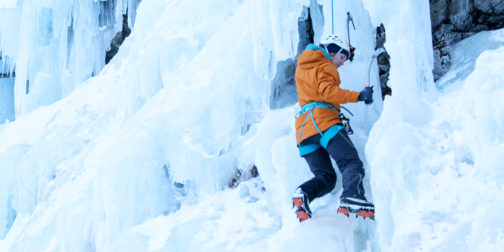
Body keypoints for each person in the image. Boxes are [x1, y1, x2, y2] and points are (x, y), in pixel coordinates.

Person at [291, 34, 375, 222]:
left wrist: (344, 51)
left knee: (326, 178)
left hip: (304, 131)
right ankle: (352, 196)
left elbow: (315, 92)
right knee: (351, 162)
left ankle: (303, 194)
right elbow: (328, 92)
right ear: (331, 51)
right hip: (324, 122)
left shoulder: (303, 67)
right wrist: (359, 96)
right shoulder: (325, 64)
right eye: (342, 57)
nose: (342, 63)